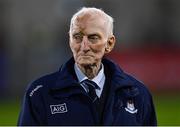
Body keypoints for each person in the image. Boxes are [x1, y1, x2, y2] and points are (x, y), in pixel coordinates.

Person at [18, 7, 157, 126]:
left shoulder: (138, 94)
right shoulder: (39, 94)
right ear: (70, 40)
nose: (84, 47)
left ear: (109, 43)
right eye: (77, 37)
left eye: (93, 37)